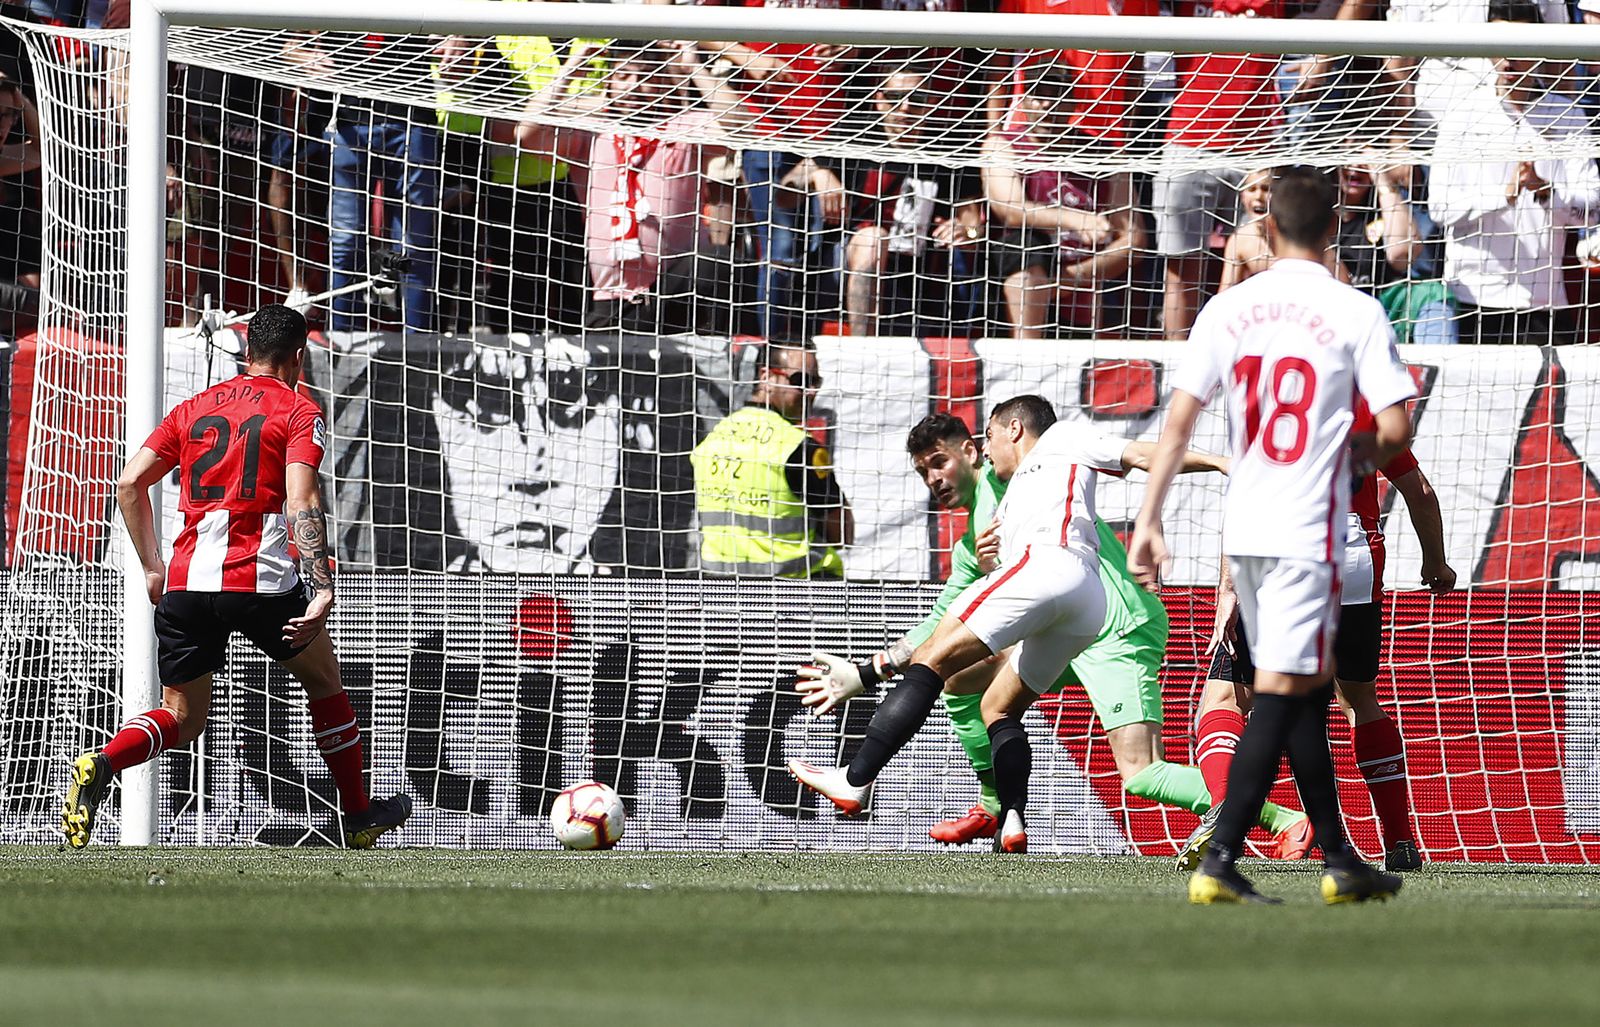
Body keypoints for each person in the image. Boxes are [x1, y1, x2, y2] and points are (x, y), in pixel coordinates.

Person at [791, 412, 1311, 854]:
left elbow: (1135, 456)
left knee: (1141, 772)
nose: (935, 478)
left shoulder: (1033, 461)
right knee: (972, 687)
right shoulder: (985, 526)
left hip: (1117, 624)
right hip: (1077, 612)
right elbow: (949, 611)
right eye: (924, 471)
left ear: (980, 446)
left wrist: (871, 670)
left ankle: (1278, 817)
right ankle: (1001, 809)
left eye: (941, 461)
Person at [1129, 166, 1417, 905]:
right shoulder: (1354, 311)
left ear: (1266, 227)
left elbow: (1179, 424)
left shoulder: (1228, 311)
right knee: (1287, 692)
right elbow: (1395, 428)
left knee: (1302, 690)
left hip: (1246, 525)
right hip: (1307, 525)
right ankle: (1222, 855)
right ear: (1333, 228)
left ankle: (1341, 858)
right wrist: (1349, 457)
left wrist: (1151, 518)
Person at [63, 305, 412, 849]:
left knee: (182, 716)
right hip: (261, 582)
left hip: (185, 584)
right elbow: (301, 498)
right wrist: (321, 586)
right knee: (324, 682)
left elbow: (130, 484)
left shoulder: (193, 408)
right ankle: (360, 816)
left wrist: (154, 567)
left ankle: (104, 761)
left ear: (247, 352)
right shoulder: (298, 410)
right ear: (299, 357)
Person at [1178, 397, 1456, 874]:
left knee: (1226, 698)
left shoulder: (1271, 406)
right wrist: (1436, 561)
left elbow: (1246, 500)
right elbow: (1421, 492)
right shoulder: (1367, 408)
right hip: (1356, 559)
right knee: (1358, 701)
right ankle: (1400, 840)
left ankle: (1225, 810)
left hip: (1284, 554)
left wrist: (1228, 589)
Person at [519, 39, 753, 337]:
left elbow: (743, 127)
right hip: (610, 296)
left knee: (717, 262)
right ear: (609, 82)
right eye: (624, 76)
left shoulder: (684, 127)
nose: (634, 86)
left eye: (646, 76)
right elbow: (527, 134)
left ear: (662, 82)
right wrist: (570, 68)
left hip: (673, 289)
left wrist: (694, 67)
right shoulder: (589, 132)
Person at [1427, 0, 1600, 345]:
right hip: (1476, 301)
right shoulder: (1461, 116)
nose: (1508, 59)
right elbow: (1440, 208)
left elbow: (1593, 210)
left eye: (1518, 48)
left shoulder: (1568, 117)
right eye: (1498, 47)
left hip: (1545, 301)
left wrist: (1547, 192)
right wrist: (1501, 197)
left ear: (1537, 48)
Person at [984, 64, 1145, 339]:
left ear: (1073, 102)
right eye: (1037, 94)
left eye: (1057, 94)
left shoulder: (1104, 156)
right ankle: (1026, 357)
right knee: (1025, 246)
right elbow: (1009, 209)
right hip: (1017, 283)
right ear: (1023, 100)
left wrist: (1069, 279)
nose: (1047, 104)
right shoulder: (1003, 145)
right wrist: (1074, 218)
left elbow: (1135, 239)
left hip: (1085, 284)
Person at [831, 69, 988, 338]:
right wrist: (819, 174)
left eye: (916, 98)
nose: (905, 108)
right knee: (873, 239)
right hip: (850, 260)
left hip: (921, 268)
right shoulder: (856, 134)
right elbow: (794, 179)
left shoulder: (946, 147)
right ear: (879, 100)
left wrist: (965, 231)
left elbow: (974, 221)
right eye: (896, 98)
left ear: (930, 102)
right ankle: (862, 346)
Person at [690, 341, 852, 578]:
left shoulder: (711, 442)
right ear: (766, 376)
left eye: (815, 382)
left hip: (720, 590)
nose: (811, 392)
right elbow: (842, 535)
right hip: (796, 593)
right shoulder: (799, 448)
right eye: (801, 381)